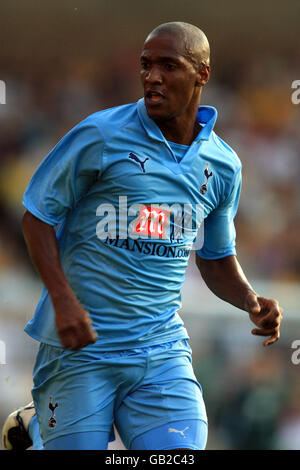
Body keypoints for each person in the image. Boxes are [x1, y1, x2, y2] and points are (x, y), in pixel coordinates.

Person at [3, 21, 283, 451]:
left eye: (168, 66)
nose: (152, 76)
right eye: (146, 65)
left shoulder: (223, 165)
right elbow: (36, 217)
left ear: (202, 74)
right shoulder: (100, 135)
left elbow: (215, 256)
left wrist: (250, 300)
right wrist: (62, 300)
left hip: (161, 348)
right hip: (82, 347)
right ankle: (36, 431)